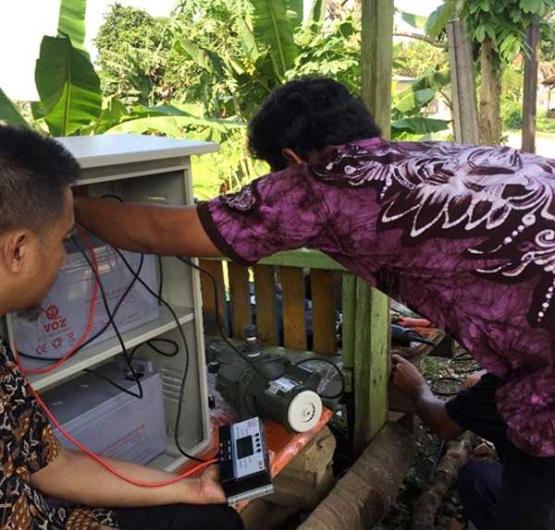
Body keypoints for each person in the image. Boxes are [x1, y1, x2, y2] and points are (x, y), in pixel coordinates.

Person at [75, 77, 555, 529]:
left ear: (290, 158)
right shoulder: (452, 157)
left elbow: (162, 231)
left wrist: (69, 206)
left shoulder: (321, 181)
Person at [0, 125, 244, 530]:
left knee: (212, 521)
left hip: (54, 516)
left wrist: (190, 489)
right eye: (64, 240)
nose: (64, 259)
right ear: (18, 249)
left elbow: (51, 465)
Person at [392, 355, 504, 529]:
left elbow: (444, 425)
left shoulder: (513, 382)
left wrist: (417, 387)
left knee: (476, 479)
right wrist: (486, 375)